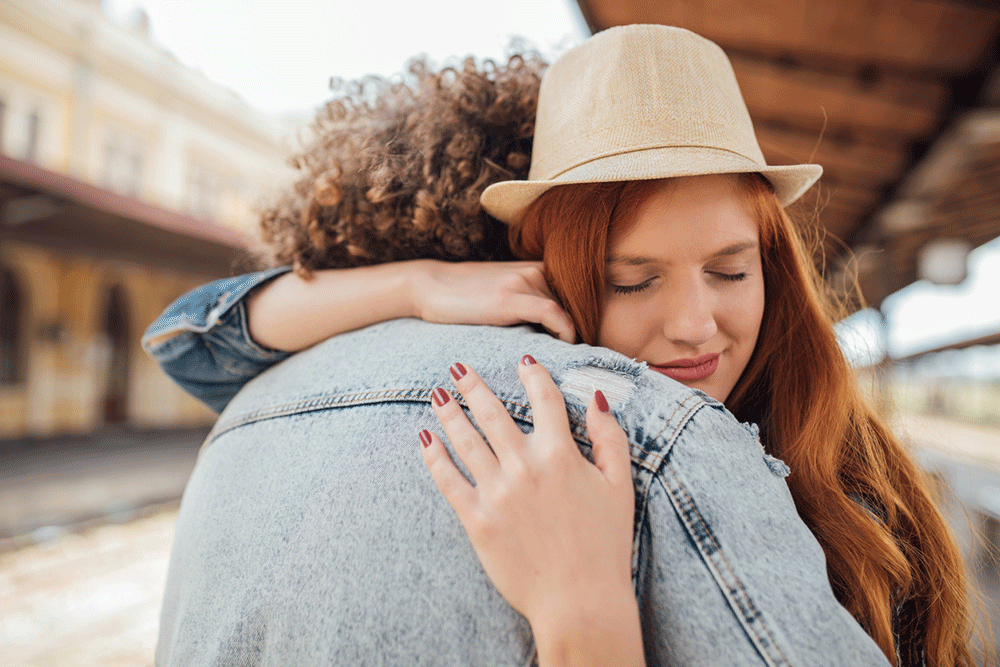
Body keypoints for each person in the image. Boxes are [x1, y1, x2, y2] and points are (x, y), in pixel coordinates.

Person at [145, 26, 973, 666]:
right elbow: (192, 341)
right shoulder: (634, 433)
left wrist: (584, 614)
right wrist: (420, 283)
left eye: (731, 269)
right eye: (631, 280)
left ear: (775, 264)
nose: (693, 324)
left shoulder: (850, 466)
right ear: (543, 272)